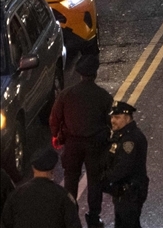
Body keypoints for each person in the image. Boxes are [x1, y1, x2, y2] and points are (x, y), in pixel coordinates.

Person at [48, 54, 112, 228]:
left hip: (72, 143)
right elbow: (109, 122)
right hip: (95, 145)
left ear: (80, 74)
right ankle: (93, 216)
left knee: (70, 179)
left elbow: (55, 117)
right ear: (95, 74)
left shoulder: (66, 94)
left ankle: (70, 215)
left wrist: (56, 135)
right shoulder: (104, 96)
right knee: (95, 180)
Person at [0, 148, 81, 228]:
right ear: (53, 170)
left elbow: (5, 222)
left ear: (33, 168)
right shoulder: (64, 197)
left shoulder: (16, 195)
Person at [103, 101, 149, 228]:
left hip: (130, 192)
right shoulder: (121, 135)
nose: (113, 120)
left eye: (117, 117)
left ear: (127, 118)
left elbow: (123, 167)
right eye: (112, 117)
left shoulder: (130, 140)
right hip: (123, 192)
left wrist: (105, 178)